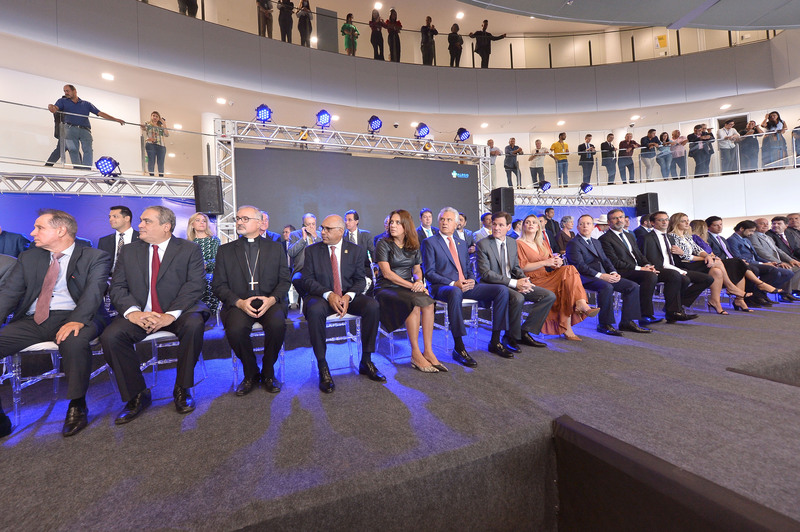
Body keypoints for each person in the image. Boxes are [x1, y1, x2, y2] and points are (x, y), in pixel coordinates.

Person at [0, 209, 110, 437]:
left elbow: (93, 293)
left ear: (61, 231)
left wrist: (77, 320)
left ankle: (77, 405)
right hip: (33, 320)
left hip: (78, 315)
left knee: (74, 342)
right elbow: (9, 295)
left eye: (39, 228)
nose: (33, 232)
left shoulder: (95, 256)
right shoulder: (29, 257)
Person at [101, 206, 209, 424]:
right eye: (141, 220)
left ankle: (182, 388)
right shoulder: (129, 251)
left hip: (178, 312)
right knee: (111, 337)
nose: (140, 225)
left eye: (146, 221)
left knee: (194, 324)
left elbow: (195, 285)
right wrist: (133, 313)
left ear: (166, 226)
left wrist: (170, 314)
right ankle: (137, 394)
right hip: (141, 314)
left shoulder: (189, 249)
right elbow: (118, 287)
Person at [296, 214, 384, 392]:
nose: (323, 232)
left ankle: (366, 360)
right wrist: (328, 294)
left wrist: (348, 296)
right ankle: (323, 366)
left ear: (340, 231)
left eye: (328, 229)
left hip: (347, 296)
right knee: (314, 310)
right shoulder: (312, 251)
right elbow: (307, 280)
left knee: (372, 306)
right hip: (322, 296)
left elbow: (360, 280)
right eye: (322, 228)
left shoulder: (356, 250)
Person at [213, 206, 290, 395]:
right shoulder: (225, 251)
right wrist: (238, 302)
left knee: (277, 325)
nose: (239, 222)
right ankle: (251, 372)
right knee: (235, 329)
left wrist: (272, 299)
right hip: (239, 303)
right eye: (238, 218)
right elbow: (218, 285)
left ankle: (268, 372)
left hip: (269, 301)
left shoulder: (275, 248)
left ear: (259, 223)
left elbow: (284, 280)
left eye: (245, 219)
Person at [422, 207, 511, 364]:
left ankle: (495, 340)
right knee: (455, 292)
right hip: (442, 287)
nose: (444, 222)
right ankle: (459, 347)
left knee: (501, 290)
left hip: (465, 285)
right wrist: (453, 283)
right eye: (442, 219)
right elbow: (429, 272)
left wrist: (471, 280)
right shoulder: (429, 242)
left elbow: (469, 268)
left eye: (449, 220)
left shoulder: (461, 243)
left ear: (456, 223)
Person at [375, 209, 444, 372]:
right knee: (413, 302)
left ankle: (428, 351)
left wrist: (419, 281)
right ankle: (415, 353)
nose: (393, 225)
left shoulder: (413, 244)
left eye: (397, 222)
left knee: (428, 303)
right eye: (391, 222)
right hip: (386, 288)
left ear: (406, 225)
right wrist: (413, 286)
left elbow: (417, 270)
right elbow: (387, 274)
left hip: (407, 286)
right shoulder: (383, 243)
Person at [476, 212, 554, 350]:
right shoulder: (483, 244)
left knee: (548, 296)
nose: (496, 228)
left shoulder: (512, 243)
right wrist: (515, 283)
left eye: (501, 225)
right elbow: (486, 274)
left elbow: (516, 267)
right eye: (494, 224)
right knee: (517, 298)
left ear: (508, 227)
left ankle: (523, 332)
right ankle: (510, 337)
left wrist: (524, 280)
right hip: (493, 285)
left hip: (513, 282)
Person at [516, 214, 599, 340]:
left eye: (534, 222)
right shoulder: (519, 243)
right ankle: (572, 320)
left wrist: (556, 262)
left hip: (546, 275)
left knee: (569, 269)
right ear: (523, 226)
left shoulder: (542, 243)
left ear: (538, 227)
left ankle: (580, 304)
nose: (531, 224)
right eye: (527, 222)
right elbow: (522, 267)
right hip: (531, 279)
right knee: (566, 285)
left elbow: (551, 262)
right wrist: (545, 262)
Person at [566, 215, 650, 336]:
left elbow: (606, 260)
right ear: (577, 227)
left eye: (588, 224)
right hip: (584, 277)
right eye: (582, 224)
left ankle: (627, 322)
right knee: (607, 287)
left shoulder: (596, 241)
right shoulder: (573, 243)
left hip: (603, 275)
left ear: (592, 226)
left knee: (632, 286)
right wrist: (601, 275)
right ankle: (605, 324)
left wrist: (613, 272)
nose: (585, 226)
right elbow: (579, 266)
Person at [667, 212, 747, 314]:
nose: (687, 223)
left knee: (717, 271)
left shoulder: (687, 236)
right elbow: (684, 256)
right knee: (719, 261)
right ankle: (730, 287)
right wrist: (705, 258)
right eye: (683, 221)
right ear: (676, 223)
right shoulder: (672, 237)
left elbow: (698, 249)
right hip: (684, 264)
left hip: (693, 262)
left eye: (687, 220)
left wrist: (707, 256)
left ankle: (715, 302)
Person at [640, 211, 709, 322]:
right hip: (658, 269)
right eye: (660, 220)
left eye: (666, 219)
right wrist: (648, 266)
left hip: (674, 267)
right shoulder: (646, 238)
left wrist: (681, 258)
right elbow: (642, 256)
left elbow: (676, 258)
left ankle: (676, 306)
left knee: (707, 279)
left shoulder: (670, 237)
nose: (664, 222)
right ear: (652, 223)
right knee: (679, 277)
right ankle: (673, 311)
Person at [599, 209, 662, 326]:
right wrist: (640, 269)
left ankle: (649, 314)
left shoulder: (629, 235)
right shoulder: (605, 239)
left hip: (636, 270)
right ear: (609, 222)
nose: (619, 220)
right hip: (620, 271)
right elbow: (615, 262)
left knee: (662, 274)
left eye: (621, 217)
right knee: (649, 276)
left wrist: (647, 265)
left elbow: (638, 254)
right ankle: (645, 315)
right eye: (615, 218)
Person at [692, 219, 768, 312]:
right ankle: (753, 286)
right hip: (705, 265)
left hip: (717, 263)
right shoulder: (694, 239)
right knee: (736, 265)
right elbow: (696, 255)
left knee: (739, 266)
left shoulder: (707, 240)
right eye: (716, 225)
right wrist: (713, 258)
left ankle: (739, 299)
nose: (720, 227)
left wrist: (713, 257)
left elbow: (713, 254)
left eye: (721, 224)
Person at [47, 84, 125, 169]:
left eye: (67, 91)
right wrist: (51, 106)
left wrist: (115, 119)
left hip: (85, 130)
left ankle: (86, 169)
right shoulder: (62, 101)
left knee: (88, 150)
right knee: (73, 150)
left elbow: (99, 113)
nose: (66, 93)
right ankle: (78, 169)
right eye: (64, 91)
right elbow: (55, 109)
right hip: (70, 129)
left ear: (74, 91)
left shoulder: (86, 104)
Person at [727, 220, 796, 302]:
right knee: (773, 270)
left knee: (788, 273)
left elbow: (756, 256)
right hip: (746, 264)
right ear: (742, 229)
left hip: (755, 263)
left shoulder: (746, 239)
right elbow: (738, 257)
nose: (752, 233)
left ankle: (761, 293)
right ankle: (757, 294)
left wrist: (768, 262)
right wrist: (763, 263)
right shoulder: (732, 240)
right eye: (751, 231)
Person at [748, 217, 800, 299]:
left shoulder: (767, 237)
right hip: (765, 262)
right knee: (787, 269)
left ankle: (790, 291)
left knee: (797, 267)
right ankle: (782, 293)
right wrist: (779, 262)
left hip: (776, 261)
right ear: (755, 226)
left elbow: (778, 250)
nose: (765, 225)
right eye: (762, 224)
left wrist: (791, 260)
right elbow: (760, 252)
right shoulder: (753, 236)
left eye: (767, 224)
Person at [186, 212, 220, 314]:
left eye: (204, 221)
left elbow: (217, 260)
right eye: (198, 220)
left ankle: (209, 314)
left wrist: (203, 265)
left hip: (210, 274)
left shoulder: (214, 240)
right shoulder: (188, 243)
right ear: (192, 224)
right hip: (193, 276)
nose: (202, 223)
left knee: (207, 282)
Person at [97, 205, 140, 272]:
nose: (110, 219)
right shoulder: (104, 241)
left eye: (115, 216)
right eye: (109, 217)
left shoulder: (142, 238)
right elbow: (100, 265)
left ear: (127, 218)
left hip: (134, 276)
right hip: (110, 276)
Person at [140, 111, 169, 177]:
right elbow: (143, 128)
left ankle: (161, 177)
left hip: (161, 146)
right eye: (153, 115)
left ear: (159, 118)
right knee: (151, 161)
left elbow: (167, 134)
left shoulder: (161, 126)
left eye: (157, 116)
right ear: (151, 116)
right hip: (151, 144)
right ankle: (151, 176)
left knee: (161, 162)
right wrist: (142, 126)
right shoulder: (148, 123)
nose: (155, 117)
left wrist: (164, 123)